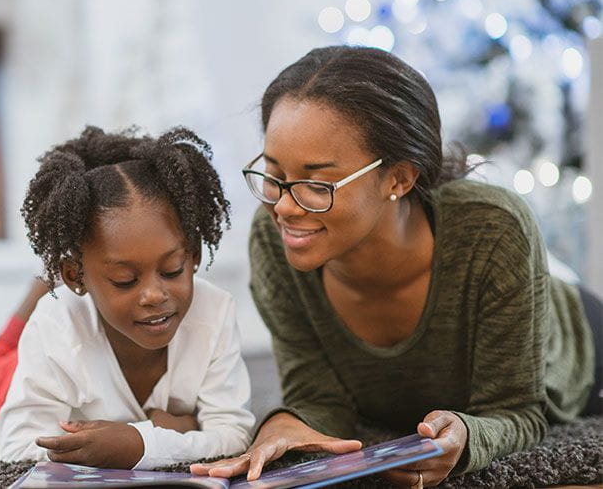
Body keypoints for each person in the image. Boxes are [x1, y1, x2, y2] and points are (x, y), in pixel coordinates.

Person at [191, 46, 601, 488]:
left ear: (399, 178)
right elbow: (316, 395)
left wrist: (468, 437)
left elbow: (517, 411)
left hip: (583, 344)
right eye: (274, 175)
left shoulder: (494, 229)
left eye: (316, 183)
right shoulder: (273, 237)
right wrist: (285, 425)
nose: (285, 207)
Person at [0, 125, 255, 469]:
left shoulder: (214, 312)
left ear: (194, 256)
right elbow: (18, 448)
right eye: (124, 280)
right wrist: (176, 431)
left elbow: (235, 435)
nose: (155, 295)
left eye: (172, 269)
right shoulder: (55, 331)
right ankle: (40, 288)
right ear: (75, 277)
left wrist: (141, 442)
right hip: (13, 378)